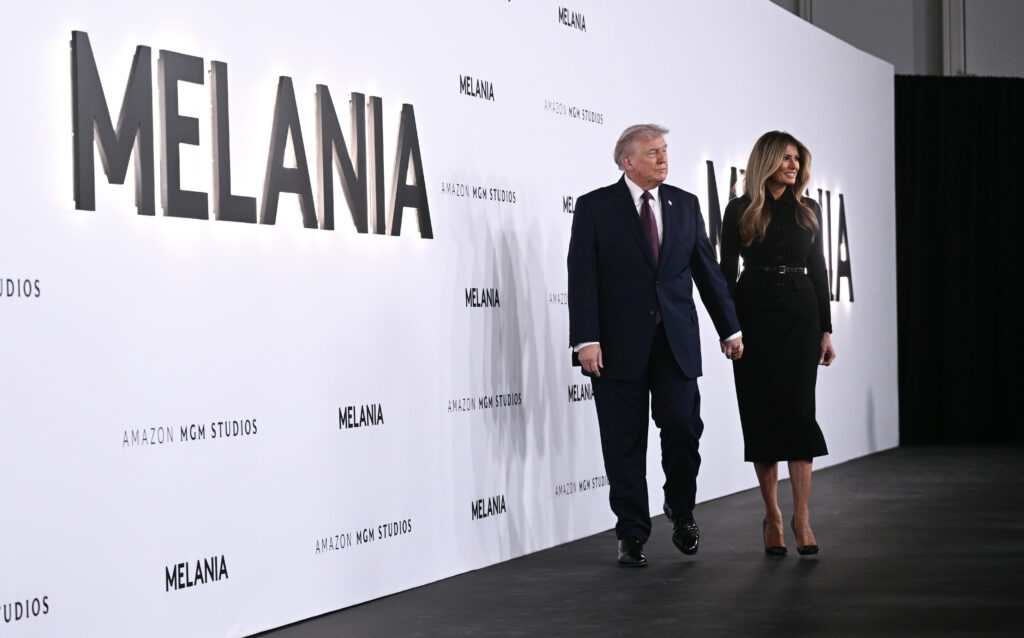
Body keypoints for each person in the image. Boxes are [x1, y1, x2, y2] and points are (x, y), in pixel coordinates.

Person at [568, 124, 743, 567]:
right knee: (623, 443)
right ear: (627, 162)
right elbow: (582, 275)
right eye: (652, 152)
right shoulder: (595, 207)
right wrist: (586, 339)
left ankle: (681, 509)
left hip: (675, 344)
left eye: (664, 150)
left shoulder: (685, 204)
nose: (663, 158)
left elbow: (707, 272)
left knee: (683, 429)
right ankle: (631, 532)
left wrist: (730, 328)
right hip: (616, 347)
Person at [719, 131, 837, 557]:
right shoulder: (739, 209)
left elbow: (819, 270)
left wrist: (826, 330)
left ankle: (801, 516)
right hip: (753, 317)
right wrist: (728, 329)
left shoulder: (809, 209)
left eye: (797, 159)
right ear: (766, 161)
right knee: (762, 414)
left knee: (800, 415)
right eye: (785, 158)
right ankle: (772, 515)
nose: (793, 165)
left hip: (802, 318)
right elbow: (724, 274)